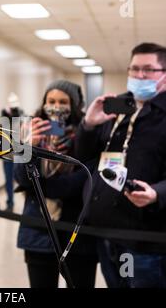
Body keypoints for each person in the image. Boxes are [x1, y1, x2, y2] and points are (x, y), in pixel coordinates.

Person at [75, 43, 166, 288]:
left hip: (146, 239)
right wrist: (88, 125)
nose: (140, 75)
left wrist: (157, 193)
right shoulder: (117, 106)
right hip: (105, 232)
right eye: (134, 68)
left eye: (149, 70)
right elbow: (85, 157)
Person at [15, 80, 97, 288]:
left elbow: (77, 183)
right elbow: (21, 177)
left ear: (74, 105)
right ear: (43, 103)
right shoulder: (29, 131)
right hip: (38, 231)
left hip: (76, 234)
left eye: (63, 101)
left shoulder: (86, 134)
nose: (56, 106)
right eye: (51, 101)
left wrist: (37, 186)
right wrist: (29, 147)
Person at [0, 92, 24, 212]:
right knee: (8, 179)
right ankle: (10, 202)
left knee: (21, 177)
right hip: (7, 153)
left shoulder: (21, 114)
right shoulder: (3, 114)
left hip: (18, 152)